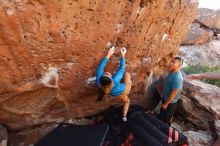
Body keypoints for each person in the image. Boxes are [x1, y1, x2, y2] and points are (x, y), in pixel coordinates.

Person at [96, 47, 132, 122]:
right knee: (127, 74)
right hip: (124, 90)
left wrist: (108, 54)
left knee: (127, 101)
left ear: (101, 78)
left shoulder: (99, 83)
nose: (107, 72)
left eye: (105, 73)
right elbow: (122, 69)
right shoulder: (115, 80)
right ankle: (124, 116)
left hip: (115, 93)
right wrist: (123, 55)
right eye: (109, 74)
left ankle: (124, 117)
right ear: (111, 80)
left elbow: (100, 67)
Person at [157, 57, 184, 125]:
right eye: (171, 61)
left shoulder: (178, 78)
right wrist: (162, 92)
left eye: (173, 62)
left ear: (179, 65)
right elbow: (167, 83)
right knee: (161, 116)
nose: (171, 63)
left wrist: (166, 104)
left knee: (165, 120)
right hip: (165, 98)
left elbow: (174, 93)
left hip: (170, 103)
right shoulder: (171, 72)